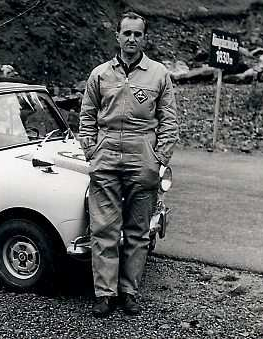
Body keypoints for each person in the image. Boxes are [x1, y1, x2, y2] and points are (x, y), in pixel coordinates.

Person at [78, 12, 179, 317]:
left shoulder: (158, 74)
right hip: (106, 156)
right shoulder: (100, 75)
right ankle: (105, 294)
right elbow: (86, 119)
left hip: (142, 159)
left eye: (138, 34)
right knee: (104, 229)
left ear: (144, 38)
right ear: (117, 37)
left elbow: (169, 122)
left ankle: (129, 292)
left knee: (137, 232)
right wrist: (92, 152)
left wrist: (158, 159)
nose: (132, 39)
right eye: (127, 33)